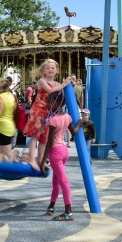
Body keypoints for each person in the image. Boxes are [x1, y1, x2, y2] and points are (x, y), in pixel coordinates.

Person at [23, 59, 71, 170]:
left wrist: (69, 83)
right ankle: (31, 159)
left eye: (52, 68)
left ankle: (41, 160)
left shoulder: (58, 84)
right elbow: (50, 90)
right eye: (48, 68)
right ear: (43, 70)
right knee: (35, 135)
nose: (50, 70)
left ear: (57, 70)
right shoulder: (42, 81)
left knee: (44, 138)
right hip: (38, 110)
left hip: (49, 113)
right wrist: (64, 84)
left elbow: (61, 93)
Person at [41, 91, 81, 221]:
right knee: (56, 181)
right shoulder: (67, 117)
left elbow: (50, 142)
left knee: (63, 181)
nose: (48, 105)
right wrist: (79, 123)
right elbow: (74, 132)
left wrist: (42, 160)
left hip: (56, 153)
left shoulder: (53, 120)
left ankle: (68, 212)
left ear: (59, 103)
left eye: (51, 102)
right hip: (64, 151)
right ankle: (51, 206)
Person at [0, 78, 20, 162]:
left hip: (2, 127)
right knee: (4, 153)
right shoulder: (11, 96)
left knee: (5, 153)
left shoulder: (0, 97)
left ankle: (19, 169)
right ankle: (5, 171)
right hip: (10, 125)